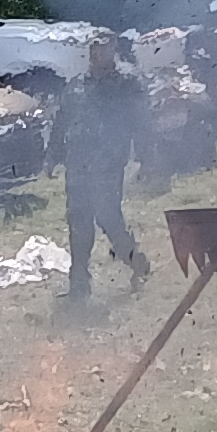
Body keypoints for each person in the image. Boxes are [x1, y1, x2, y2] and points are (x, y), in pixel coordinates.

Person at [60, 30, 153, 298]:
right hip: (77, 162)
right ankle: (78, 281)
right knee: (78, 220)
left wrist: (146, 158)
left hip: (108, 162)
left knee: (107, 217)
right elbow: (63, 120)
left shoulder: (125, 84)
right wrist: (52, 155)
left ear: (113, 50)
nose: (96, 53)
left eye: (103, 48)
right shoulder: (77, 85)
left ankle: (137, 262)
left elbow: (141, 122)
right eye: (93, 48)